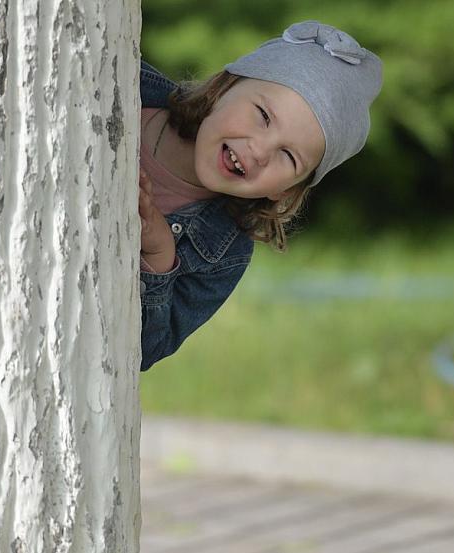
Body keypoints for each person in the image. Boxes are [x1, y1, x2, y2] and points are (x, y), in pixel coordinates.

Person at [138, 20, 382, 371]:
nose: (260, 150)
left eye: (288, 156)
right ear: (224, 88)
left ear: (284, 190)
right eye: (263, 116)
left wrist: (159, 256)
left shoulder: (224, 255)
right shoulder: (123, 83)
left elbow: (141, 351)